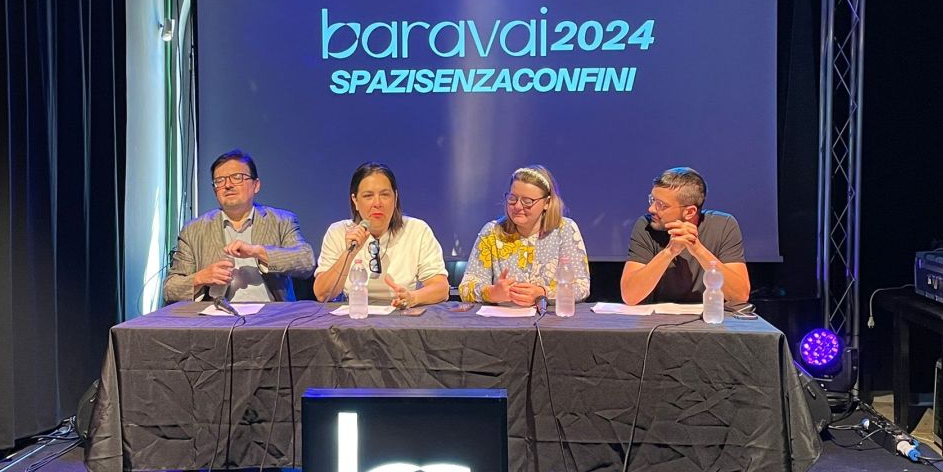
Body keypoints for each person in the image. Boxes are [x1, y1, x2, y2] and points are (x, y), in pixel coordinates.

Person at [163, 149, 315, 303]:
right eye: (220, 180)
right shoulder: (194, 230)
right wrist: (200, 278)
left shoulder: (281, 221)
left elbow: (306, 261)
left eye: (237, 177)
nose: (228, 185)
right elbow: (170, 289)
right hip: (216, 314)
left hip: (272, 313)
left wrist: (258, 252)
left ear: (256, 185)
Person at [313, 162, 449, 308]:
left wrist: (413, 297)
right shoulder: (338, 232)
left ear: (395, 198)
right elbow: (322, 294)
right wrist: (349, 253)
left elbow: (441, 288)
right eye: (368, 196)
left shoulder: (417, 230)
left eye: (384, 195)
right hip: (355, 314)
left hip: (402, 315)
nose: (377, 203)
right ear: (355, 201)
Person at [458, 165, 590, 307]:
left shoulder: (565, 230)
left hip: (551, 319)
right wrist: (492, 293)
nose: (517, 207)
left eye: (527, 201)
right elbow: (466, 288)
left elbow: (581, 287)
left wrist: (543, 293)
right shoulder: (491, 232)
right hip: (503, 319)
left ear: (547, 203)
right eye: (512, 198)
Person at [620, 166, 750, 305]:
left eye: (661, 205)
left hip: (710, 315)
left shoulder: (723, 225)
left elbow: (740, 296)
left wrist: (698, 250)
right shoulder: (646, 226)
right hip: (657, 316)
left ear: (689, 212)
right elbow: (630, 296)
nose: (651, 209)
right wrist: (669, 252)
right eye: (652, 200)